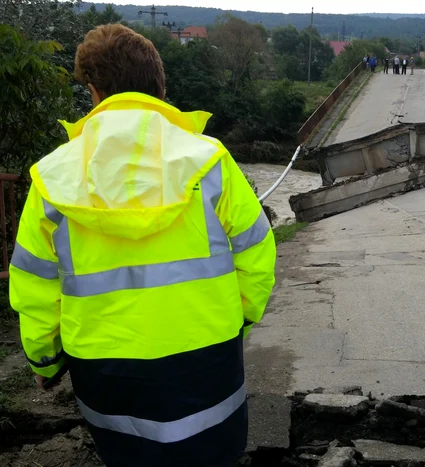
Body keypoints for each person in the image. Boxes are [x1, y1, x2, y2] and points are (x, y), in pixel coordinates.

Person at [9, 24, 276, 467]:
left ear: (93, 92)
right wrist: (238, 320)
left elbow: (36, 284)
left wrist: (46, 362)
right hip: (206, 355)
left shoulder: (52, 178)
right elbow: (257, 255)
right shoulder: (210, 161)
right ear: (160, 88)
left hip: (105, 364)